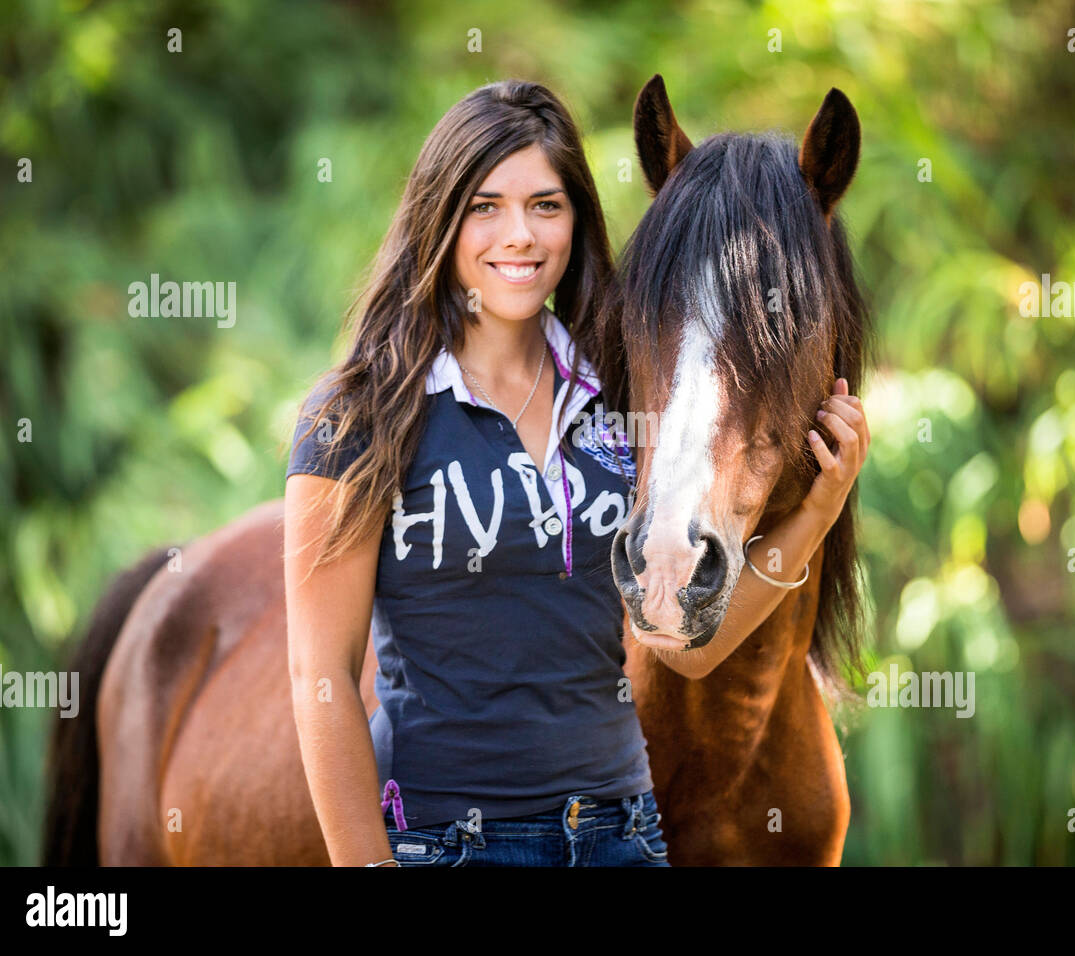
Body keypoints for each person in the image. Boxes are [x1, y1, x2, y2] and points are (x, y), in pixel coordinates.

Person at [282, 79, 869, 867]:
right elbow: (318, 672)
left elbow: (684, 644)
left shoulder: (619, 403)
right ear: (439, 217)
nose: (517, 236)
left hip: (618, 838)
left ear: (576, 221)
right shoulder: (355, 416)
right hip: (448, 838)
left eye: (546, 206)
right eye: (484, 206)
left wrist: (819, 512)